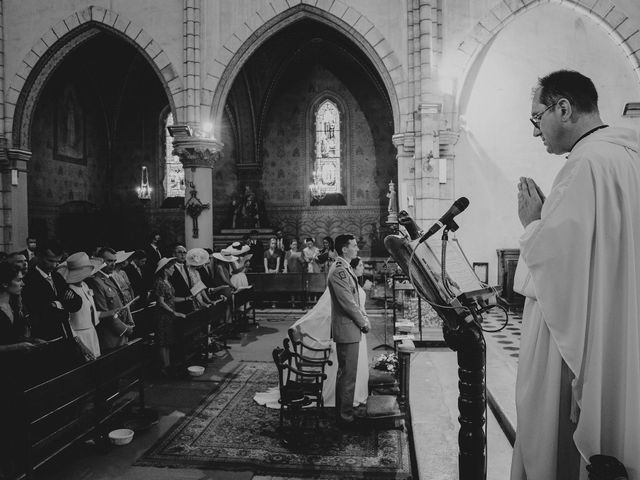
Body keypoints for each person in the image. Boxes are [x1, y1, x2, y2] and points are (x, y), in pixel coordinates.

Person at [512, 70, 640, 480]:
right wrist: (552, 220)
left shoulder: (584, 164)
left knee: (557, 451)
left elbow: (556, 276)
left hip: (577, 351)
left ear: (563, 108)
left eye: (537, 118)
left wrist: (533, 224)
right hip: (620, 329)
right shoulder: (627, 157)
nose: (536, 132)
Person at [328, 234, 370, 428]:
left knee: (346, 374)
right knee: (348, 376)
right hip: (347, 329)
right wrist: (363, 323)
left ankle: (343, 412)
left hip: (348, 329)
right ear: (344, 249)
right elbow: (348, 303)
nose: (356, 249)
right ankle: (345, 418)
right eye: (353, 246)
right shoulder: (339, 271)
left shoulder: (344, 268)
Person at [22, 240, 82, 341]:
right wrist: (63, 303)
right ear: (39, 256)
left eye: (57, 261)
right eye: (50, 261)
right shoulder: (29, 280)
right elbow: (39, 312)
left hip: (65, 334)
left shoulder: (57, 277)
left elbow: (77, 303)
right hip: (45, 337)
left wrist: (56, 304)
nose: (54, 265)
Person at [85, 248, 133, 352]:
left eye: (114, 261)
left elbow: (121, 302)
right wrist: (125, 329)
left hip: (121, 333)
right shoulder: (96, 281)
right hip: (111, 337)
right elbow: (105, 313)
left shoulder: (110, 277)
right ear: (100, 261)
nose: (113, 264)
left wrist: (129, 322)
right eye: (109, 261)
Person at [57, 252, 102, 358]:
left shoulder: (85, 285)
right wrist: (79, 343)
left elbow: (91, 312)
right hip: (79, 336)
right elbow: (66, 320)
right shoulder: (68, 292)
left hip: (91, 332)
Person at [153, 257, 185, 375]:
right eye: (171, 268)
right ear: (165, 270)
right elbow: (161, 302)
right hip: (162, 316)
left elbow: (171, 298)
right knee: (162, 341)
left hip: (169, 315)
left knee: (168, 341)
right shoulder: (160, 282)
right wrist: (173, 312)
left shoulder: (168, 282)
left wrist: (186, 299)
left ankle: (168, 365)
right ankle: (164, 367)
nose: (173, 270)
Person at [168, 244, 195, 315]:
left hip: (188, 302)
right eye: (180, 252)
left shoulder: (185, 267)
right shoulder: (170, 268)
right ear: (174, 254)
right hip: (178, 303)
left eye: (184, 253)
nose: (183, 255)